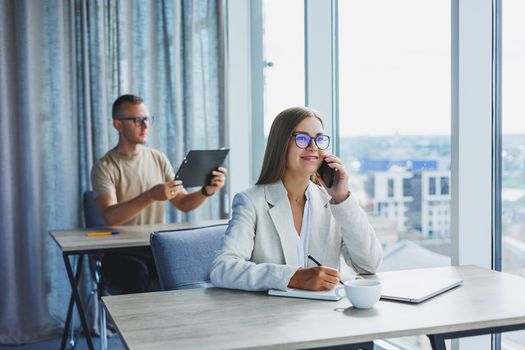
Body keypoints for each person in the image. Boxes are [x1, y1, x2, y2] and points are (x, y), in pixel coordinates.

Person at [210, 106, 382, 291]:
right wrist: (293, 277)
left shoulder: (333, 204)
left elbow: (369, 265)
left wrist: (341, 198)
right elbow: (223, 269)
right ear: (281, 144)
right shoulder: (251, 201)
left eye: (319, 139)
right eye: (302, 138)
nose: (313, 147)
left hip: (324, 314)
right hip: (272, 315)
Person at [91, 94, 227, 293]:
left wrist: (206, 191)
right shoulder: (104, 167)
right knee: (135, 273)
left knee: (190, 266)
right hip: (119, 251)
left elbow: (182, 203)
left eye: (147, 119)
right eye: (138, 120)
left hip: (154, 247)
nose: (145, 125)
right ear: (118, 125)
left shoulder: (158, 158)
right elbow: (111, 216)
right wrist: (150, 196)